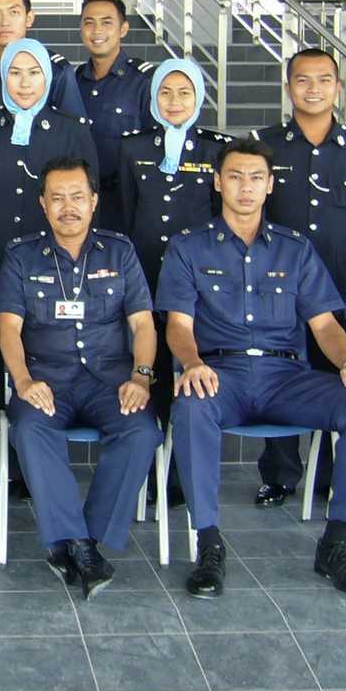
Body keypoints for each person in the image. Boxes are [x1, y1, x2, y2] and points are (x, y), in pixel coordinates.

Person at [155, 139, 346, 598]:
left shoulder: (295, 249)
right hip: (220, 374)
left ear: (269, 185)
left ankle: (336, 542)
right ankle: (208, 545)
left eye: (256, 178)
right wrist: (193, 363)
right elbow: (178, 325)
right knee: (191, 404)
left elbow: (325, 324)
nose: (245, 187)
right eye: (235, 177)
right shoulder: (187, 248)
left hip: (287, 378)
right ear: (217, 183)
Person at [0, 157, 161, 597]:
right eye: (57, 198)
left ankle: (80, 539)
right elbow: (8, 328)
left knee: (141, 431)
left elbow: (143, 324)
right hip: (46, 380)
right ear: (43, 204)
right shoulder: (20, 255)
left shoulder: (120, 252)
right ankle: (79, 545)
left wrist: (141, 377)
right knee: (31, 429)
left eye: (77, 197)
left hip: (110, 381)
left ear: (93, 201)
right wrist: (23, 381)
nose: (67, 207)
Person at [252, 47, 346, 506]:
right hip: (276, 283)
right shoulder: (265, 145)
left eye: (324, 80)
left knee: (340, 374)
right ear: (288, 88)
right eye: (303, 80)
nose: (313, 89)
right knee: (279, 371)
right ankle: (280, 474)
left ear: (338, 87)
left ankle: (330, 475)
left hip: (342, 284)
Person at [0, 38, 98, 458]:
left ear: (48, 78)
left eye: (34, 73)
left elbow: (87, 203)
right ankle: (1, 449)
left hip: (52, 265)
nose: (24, 82)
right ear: (3, 77)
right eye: (15, 73)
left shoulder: (71, 131)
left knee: (41, 347)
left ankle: (34, 452)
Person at [117, 59, 229, 495]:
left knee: (188, 371)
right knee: (148, 368)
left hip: (196, 282)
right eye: (165, 92)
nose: (174, 101)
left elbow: (220, 222)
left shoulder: (215, 150)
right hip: (143, 274)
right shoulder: (133, 148)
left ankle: (181, 475)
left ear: (199, 97)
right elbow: (126, 215)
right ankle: (147, 469)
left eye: (184, 93)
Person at [73, 0, 154, 232]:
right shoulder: (73, 81)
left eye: (106, 22)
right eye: (89, 22)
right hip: (79, 203)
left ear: (123, 29)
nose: (97, 30)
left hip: (125, 202)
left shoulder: (144, 82)